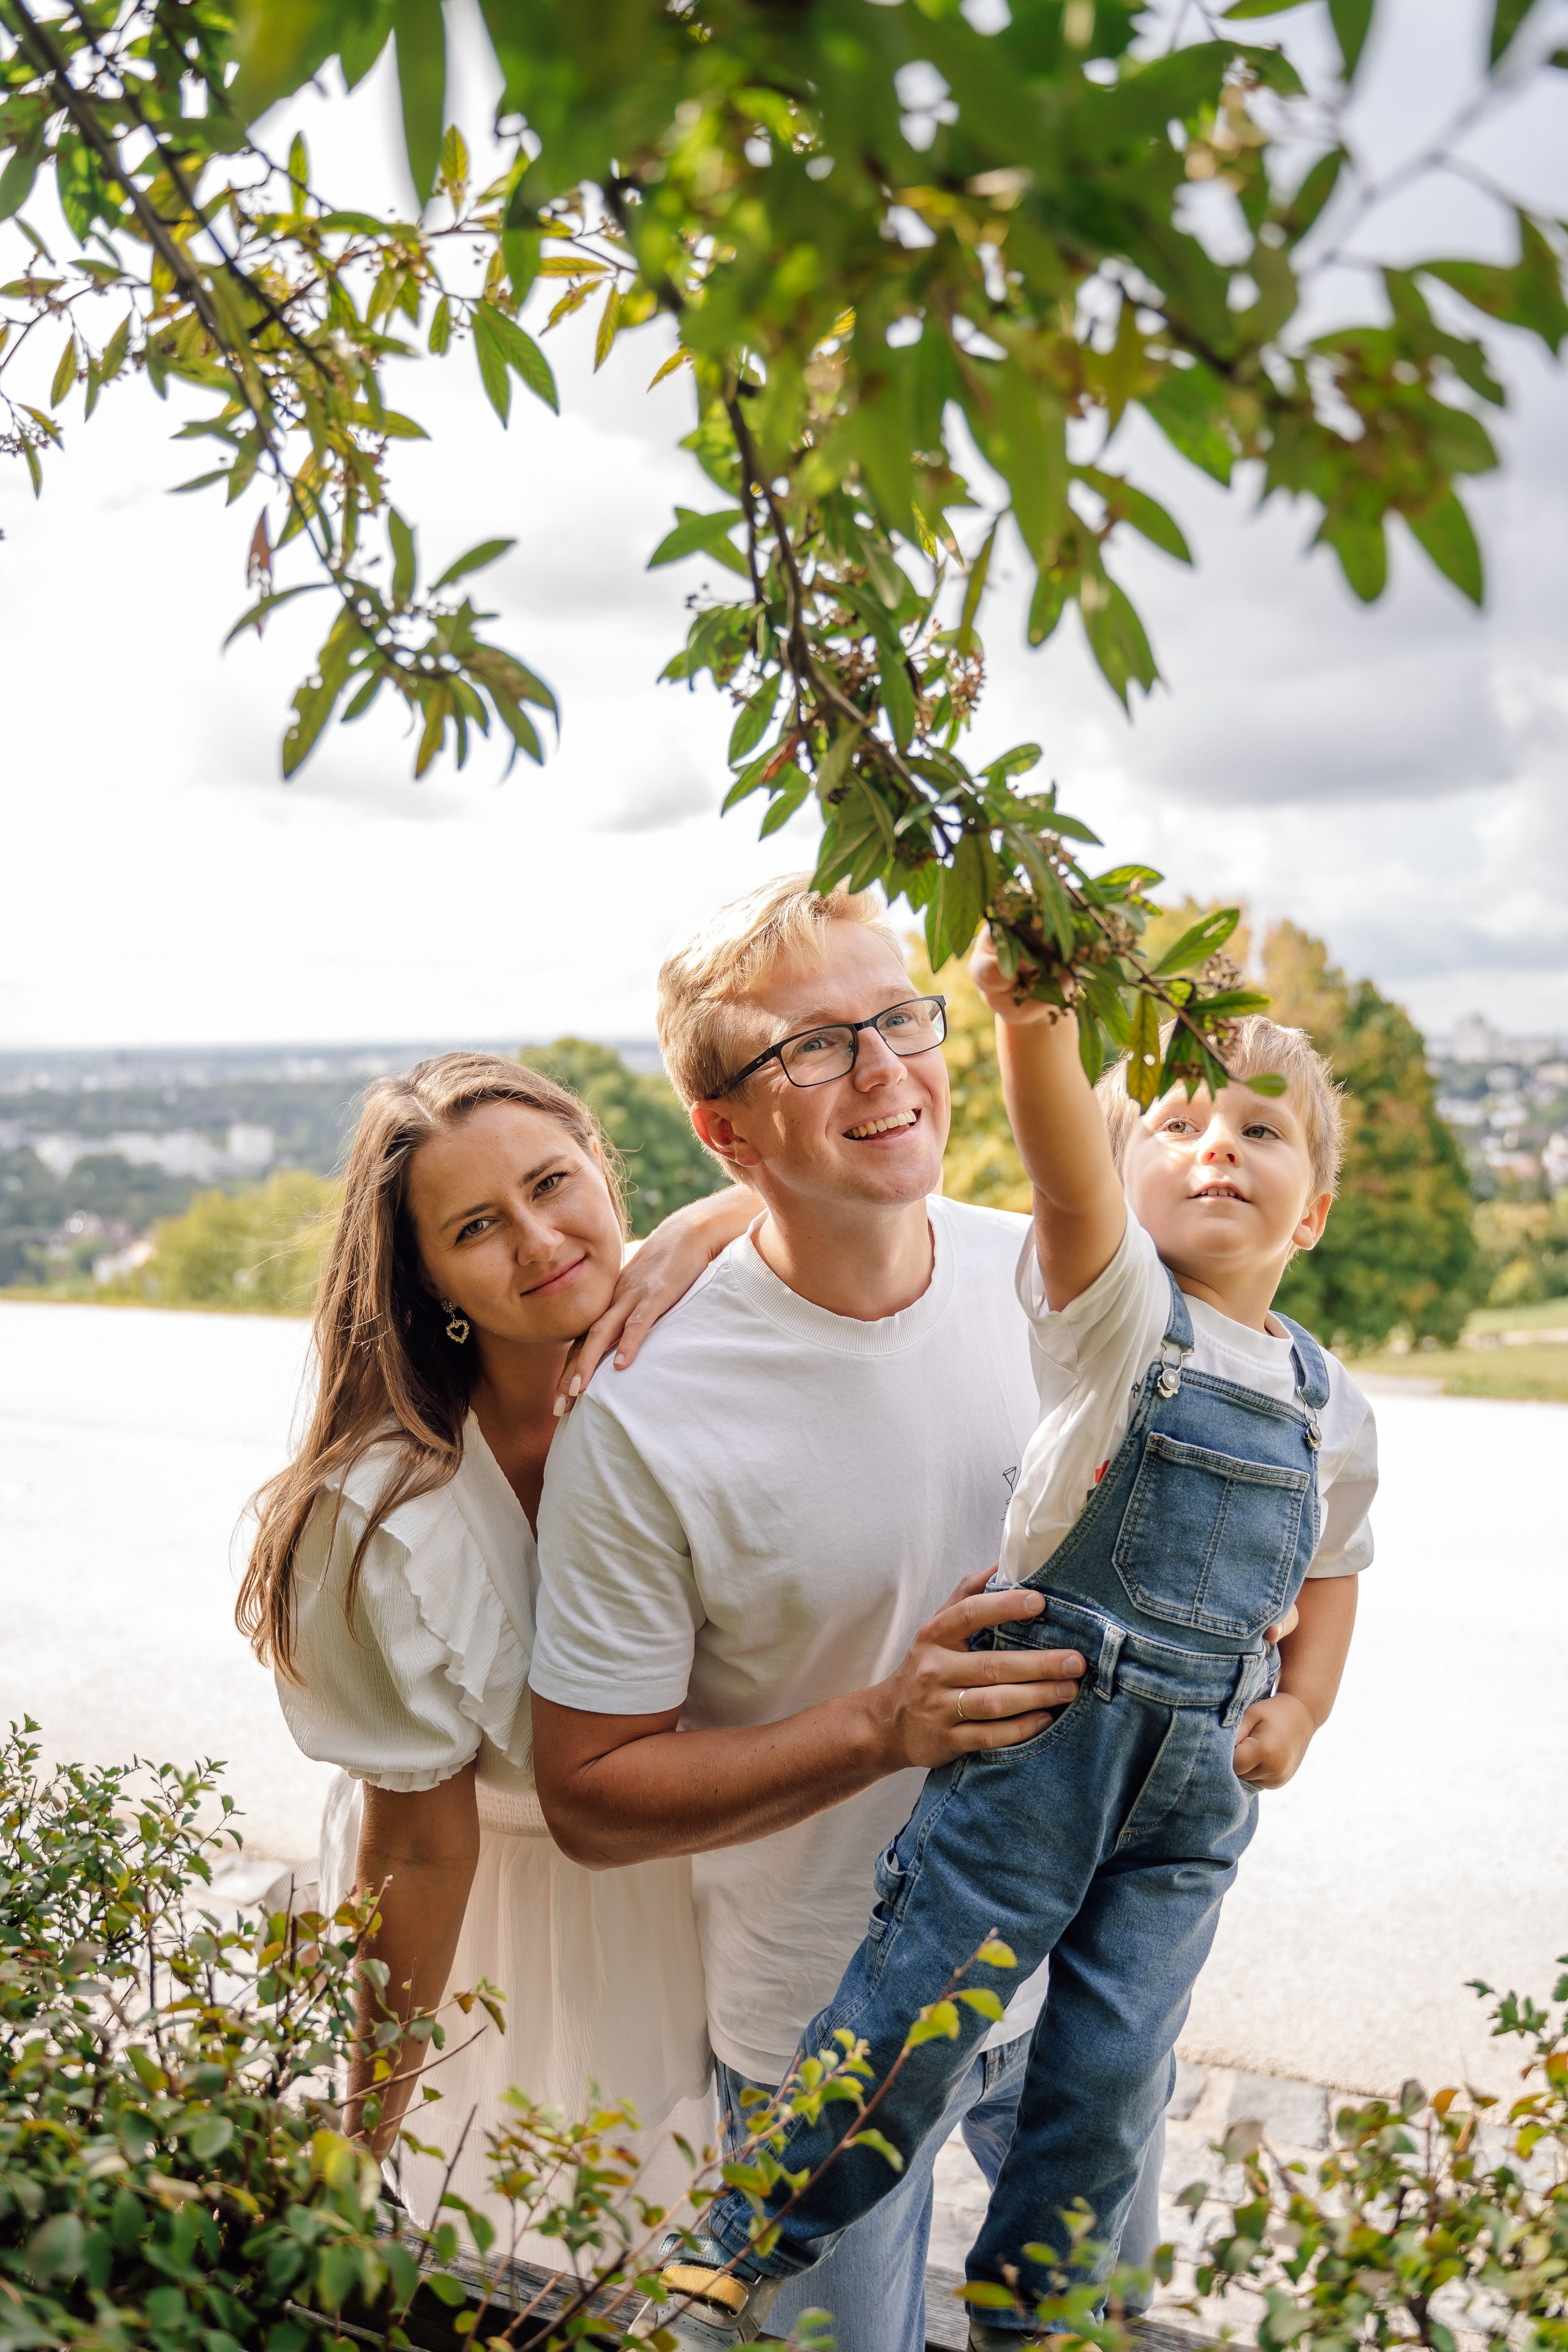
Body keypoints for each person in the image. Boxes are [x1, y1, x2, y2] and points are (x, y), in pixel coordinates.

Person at [682, 957, 1379, 2348]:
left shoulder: (1326, 1403)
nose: (1213, 1148)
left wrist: (1299, 1711)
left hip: (1192, 1801)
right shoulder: (1111, 1315)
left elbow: (1331, 1570)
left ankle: (1037, 2306)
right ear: (1122, 1187)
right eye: (1173, 1126)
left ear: (1310, 1208)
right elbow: (1063, 1181)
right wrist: (1032, 1027)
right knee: (924, 1998)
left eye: (1256, 1129)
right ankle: (760, 2228)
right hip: (1039, 1749)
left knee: (1117, 2062)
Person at [530, 880, 1137, 2351]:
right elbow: (592, 1795)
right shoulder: (642, 1412)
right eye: (812, 1046)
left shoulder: (1049, 1273)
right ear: (721, 1128)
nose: (882, 1070)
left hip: (1082, 1988)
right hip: (825, 2026)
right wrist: (884, 1724)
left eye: (897, 1019)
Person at [238, 1051, 755, 2245]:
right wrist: (355, 2144)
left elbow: (904, 1215)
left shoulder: (730, 1344)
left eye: (553, 1183)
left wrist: (707, 1223)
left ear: (608, 1174)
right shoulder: (385, 1510)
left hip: (726, 1890)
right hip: (507, 1933)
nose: (537, 1239)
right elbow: (417, 1853)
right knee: (524, 2245)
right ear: (431, 1280)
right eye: (477, 1226)